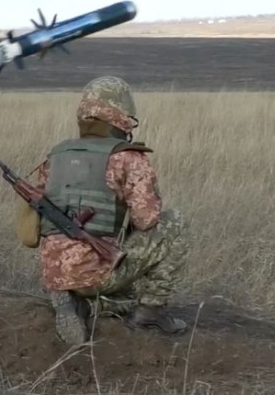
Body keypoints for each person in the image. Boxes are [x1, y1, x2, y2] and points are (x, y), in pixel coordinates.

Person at [25, 76, 189, 345]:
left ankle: (73, 299)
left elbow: (34, 226)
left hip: (54, 272)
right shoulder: (128, 158)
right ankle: (150, 309)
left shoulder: (56, 155)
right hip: (97, 273)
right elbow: (147, 220)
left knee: (99, 266)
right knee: (174, 223)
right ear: (119, 113)